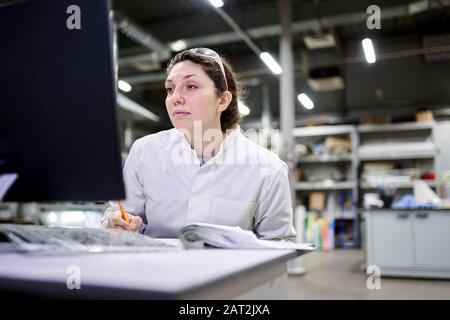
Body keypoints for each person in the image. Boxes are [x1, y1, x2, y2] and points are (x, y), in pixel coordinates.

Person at [102, 48, 296, 240]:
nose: (175, 98)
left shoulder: (268, 168)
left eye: (191, 86)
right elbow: (122, 217)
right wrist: (117, 223)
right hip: (158, 270)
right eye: (170, 89)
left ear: (222, 100)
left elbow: (279, 245)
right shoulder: (144, 151)